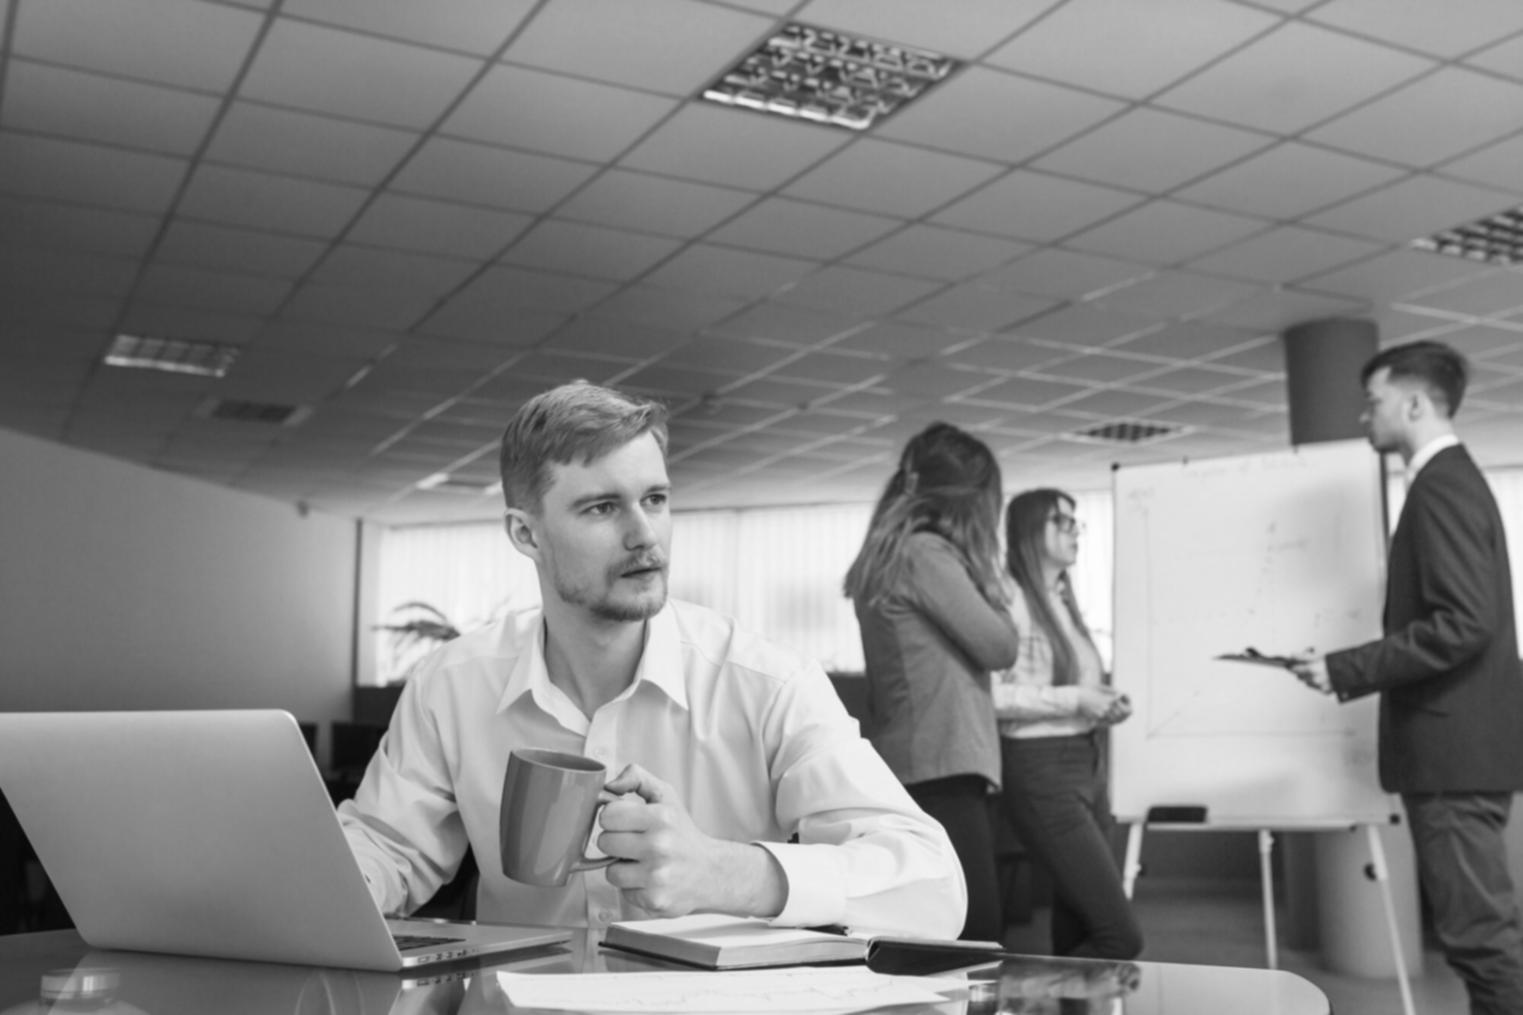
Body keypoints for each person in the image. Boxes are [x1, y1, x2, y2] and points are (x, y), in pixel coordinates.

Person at [338, 381, 965, 937]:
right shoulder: (451, 684)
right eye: (602, 507)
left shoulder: (765, 681)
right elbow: (387, 848)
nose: (645, 534)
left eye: (656, 499)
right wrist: (321, 886)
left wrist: (730, 873)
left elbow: (935, 888)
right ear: (526, 534)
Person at [1290, 340, 1523, 1015]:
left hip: (1451, 758)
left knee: (1479, 940)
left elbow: (1462, 623)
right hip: (1462, 753)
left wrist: (1345, 666)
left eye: (1373, 401)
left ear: (1415, 402)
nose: (1364, 416)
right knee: (1480, 934)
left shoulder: (1441, 485)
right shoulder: (1452, 480)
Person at [844, 422, 1019, 941]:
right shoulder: (925, 554)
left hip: (922, 764)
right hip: (940, 766)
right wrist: (991, 579)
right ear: (970, 502)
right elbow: (1000, 646)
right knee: (977, 932)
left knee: (943, 935)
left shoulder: (898, 552)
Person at [993, 488, 1142, 960]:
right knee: (1120, 936)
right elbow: (989, 696)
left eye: (1077, 522)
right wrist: (1076, 699)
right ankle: (1031, 1000)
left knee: (1078, 923)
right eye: (1061, 521)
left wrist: (1100, 702)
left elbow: (1069, 688)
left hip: (1086, 760)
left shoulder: (1062, 600)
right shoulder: (1008, 597)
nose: (1075, 530)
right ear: (1028, 531)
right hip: (1040, 767)